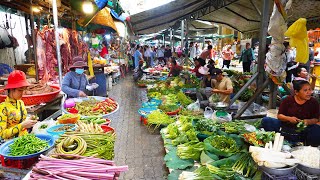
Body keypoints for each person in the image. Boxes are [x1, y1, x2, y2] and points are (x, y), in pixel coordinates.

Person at [262, 80, 320, 146]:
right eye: (305, 90)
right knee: (266, 120)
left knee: (317, 129)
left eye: (310, 89)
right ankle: (279, 139)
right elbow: (279, 116)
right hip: (285, 128)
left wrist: (307, 121)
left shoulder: (313, 102)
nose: (309, 92)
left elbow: (316, 119)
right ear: (296, 92)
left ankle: (307, 146)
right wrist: (289, 118)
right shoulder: (288, 100)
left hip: (303, 131)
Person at [0, 70, 38, 139]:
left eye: (24, 90)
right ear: (11, 89)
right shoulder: (3, 108)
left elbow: (21, 121)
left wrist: (30, 120)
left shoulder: (20, 103)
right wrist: (22, 125)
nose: (22, 93)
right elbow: (2, 134)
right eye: (20, 90)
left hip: (25, 139)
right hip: (12, 145)